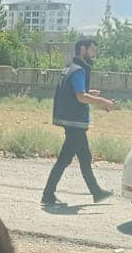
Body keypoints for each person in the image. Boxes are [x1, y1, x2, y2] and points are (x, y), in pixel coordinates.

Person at [42, 36, 116, 207]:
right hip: (75, 121)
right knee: (64, 159)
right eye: (92, 49)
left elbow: (74, 91)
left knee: (84, 157)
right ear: (83, 49)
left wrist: (90, 92)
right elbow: (81, 97)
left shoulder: (70, 67)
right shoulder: (79, 70)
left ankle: (96, 192)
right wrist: (104, 102)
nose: (94, 53)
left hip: (70, 120)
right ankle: (48, 195)